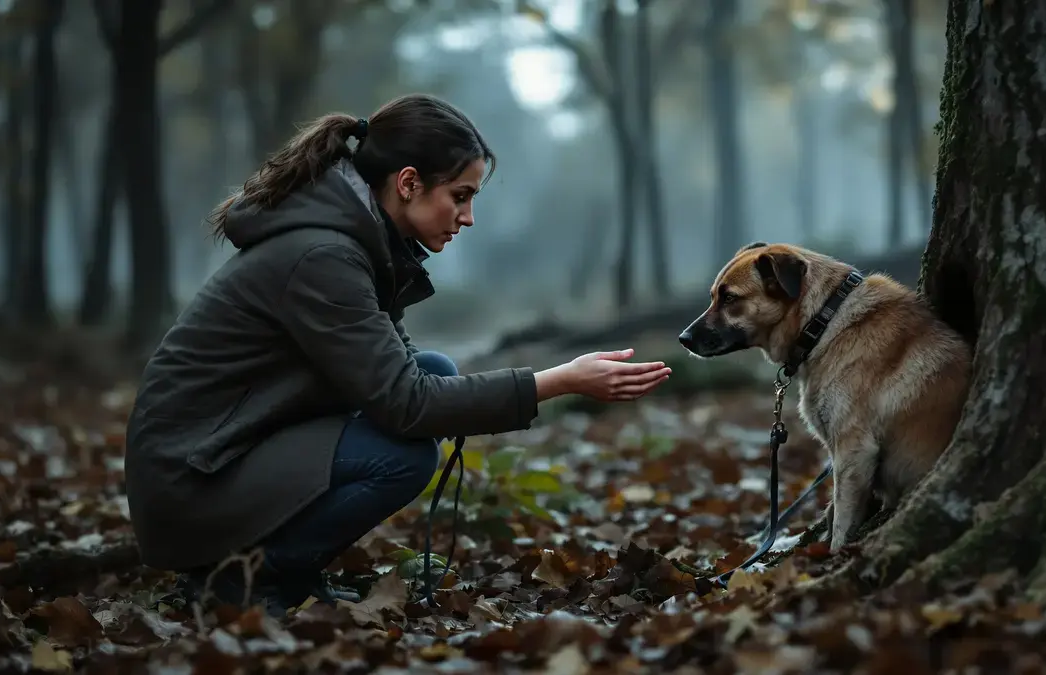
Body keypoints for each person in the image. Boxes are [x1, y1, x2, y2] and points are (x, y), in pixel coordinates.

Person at [123, 93, 671, 617]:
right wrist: (561, 380)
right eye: (460, 195)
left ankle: (278, 568)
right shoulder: (324, 257)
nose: (469, 216)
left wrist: (541, 383)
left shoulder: (357, 244)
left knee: (435, 369)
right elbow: (408, 406)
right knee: (406, 456)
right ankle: (243, 580)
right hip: (191, 479)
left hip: (229, 451)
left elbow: (413, 381)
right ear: (408, 183)